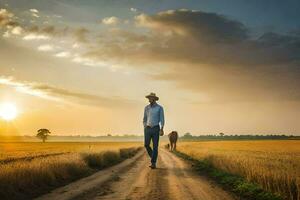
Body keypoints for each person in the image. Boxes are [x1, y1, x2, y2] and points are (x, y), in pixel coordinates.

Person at [143, 92, 165, 169]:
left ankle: (153, 163)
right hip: (147, 129)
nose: (149, 99)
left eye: (151, 98)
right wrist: (145, 126)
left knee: (155, 146)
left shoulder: (160, 108)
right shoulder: (146, 108)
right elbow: (145, 118)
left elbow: (162, 119)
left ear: (154, 99)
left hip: (156, 128)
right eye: (149, 98)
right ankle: (153, 156)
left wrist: (162, 129)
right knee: (146, 145)